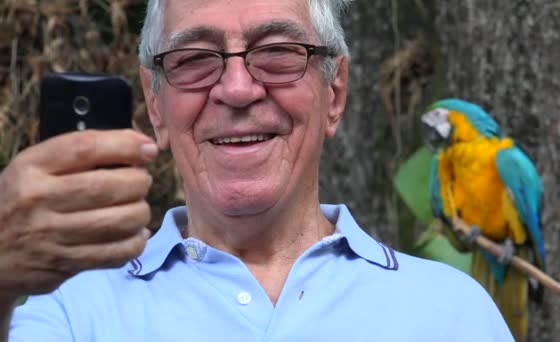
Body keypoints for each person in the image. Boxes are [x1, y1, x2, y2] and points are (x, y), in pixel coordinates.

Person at [1, 0, 513, 341]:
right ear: (155, 105)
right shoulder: (67, 314)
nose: (239, 89)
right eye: (194, 58)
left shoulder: (454, 312)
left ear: (334, 94)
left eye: (277, 52)